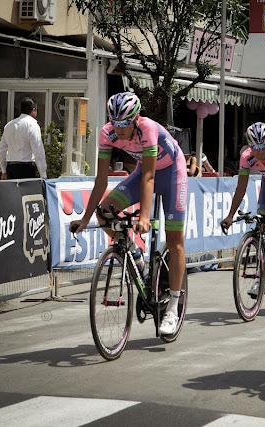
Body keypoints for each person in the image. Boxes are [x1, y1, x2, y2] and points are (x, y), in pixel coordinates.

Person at [70, 92, 187, 335]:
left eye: (124, 123)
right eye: (115, 122)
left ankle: (173, 307)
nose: (119, 128)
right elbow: (101, 180)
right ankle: (133, 253)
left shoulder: (148, 129)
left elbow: (149, 177)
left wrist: (144, 217)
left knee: (175, 242)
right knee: (105, 212)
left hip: (172, 173)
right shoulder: (107, 133)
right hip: (145, 173)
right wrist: (85, 218)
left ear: (135, 119)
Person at [220, 122, 265, 298]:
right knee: (263, 222)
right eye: (254, 147)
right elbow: (241, 188)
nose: (259, 151)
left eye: (263, 146)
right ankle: (263, 274)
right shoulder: (246, 156)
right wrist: (230, 216)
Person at [0, 97, 47, 179]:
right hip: (26, 167)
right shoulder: (32, 125)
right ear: (33, 110)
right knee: (27, 192)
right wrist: (43, 174)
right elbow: (38, 151)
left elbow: (1, 150)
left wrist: (3, 170)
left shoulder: (9, 125)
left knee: (12, 191)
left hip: (11, 167)